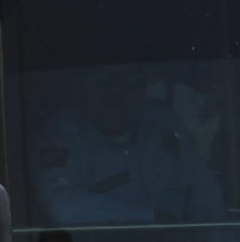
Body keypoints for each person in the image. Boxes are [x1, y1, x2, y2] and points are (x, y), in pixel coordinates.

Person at [29, 70, 223, 226]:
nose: (116, 92)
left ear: (142, 88)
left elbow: (208, 203)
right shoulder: (64, 136)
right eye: (103, 80)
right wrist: (149, 219)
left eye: (129, 80)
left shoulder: (162, 124)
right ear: (83, 87)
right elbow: (61, 206)